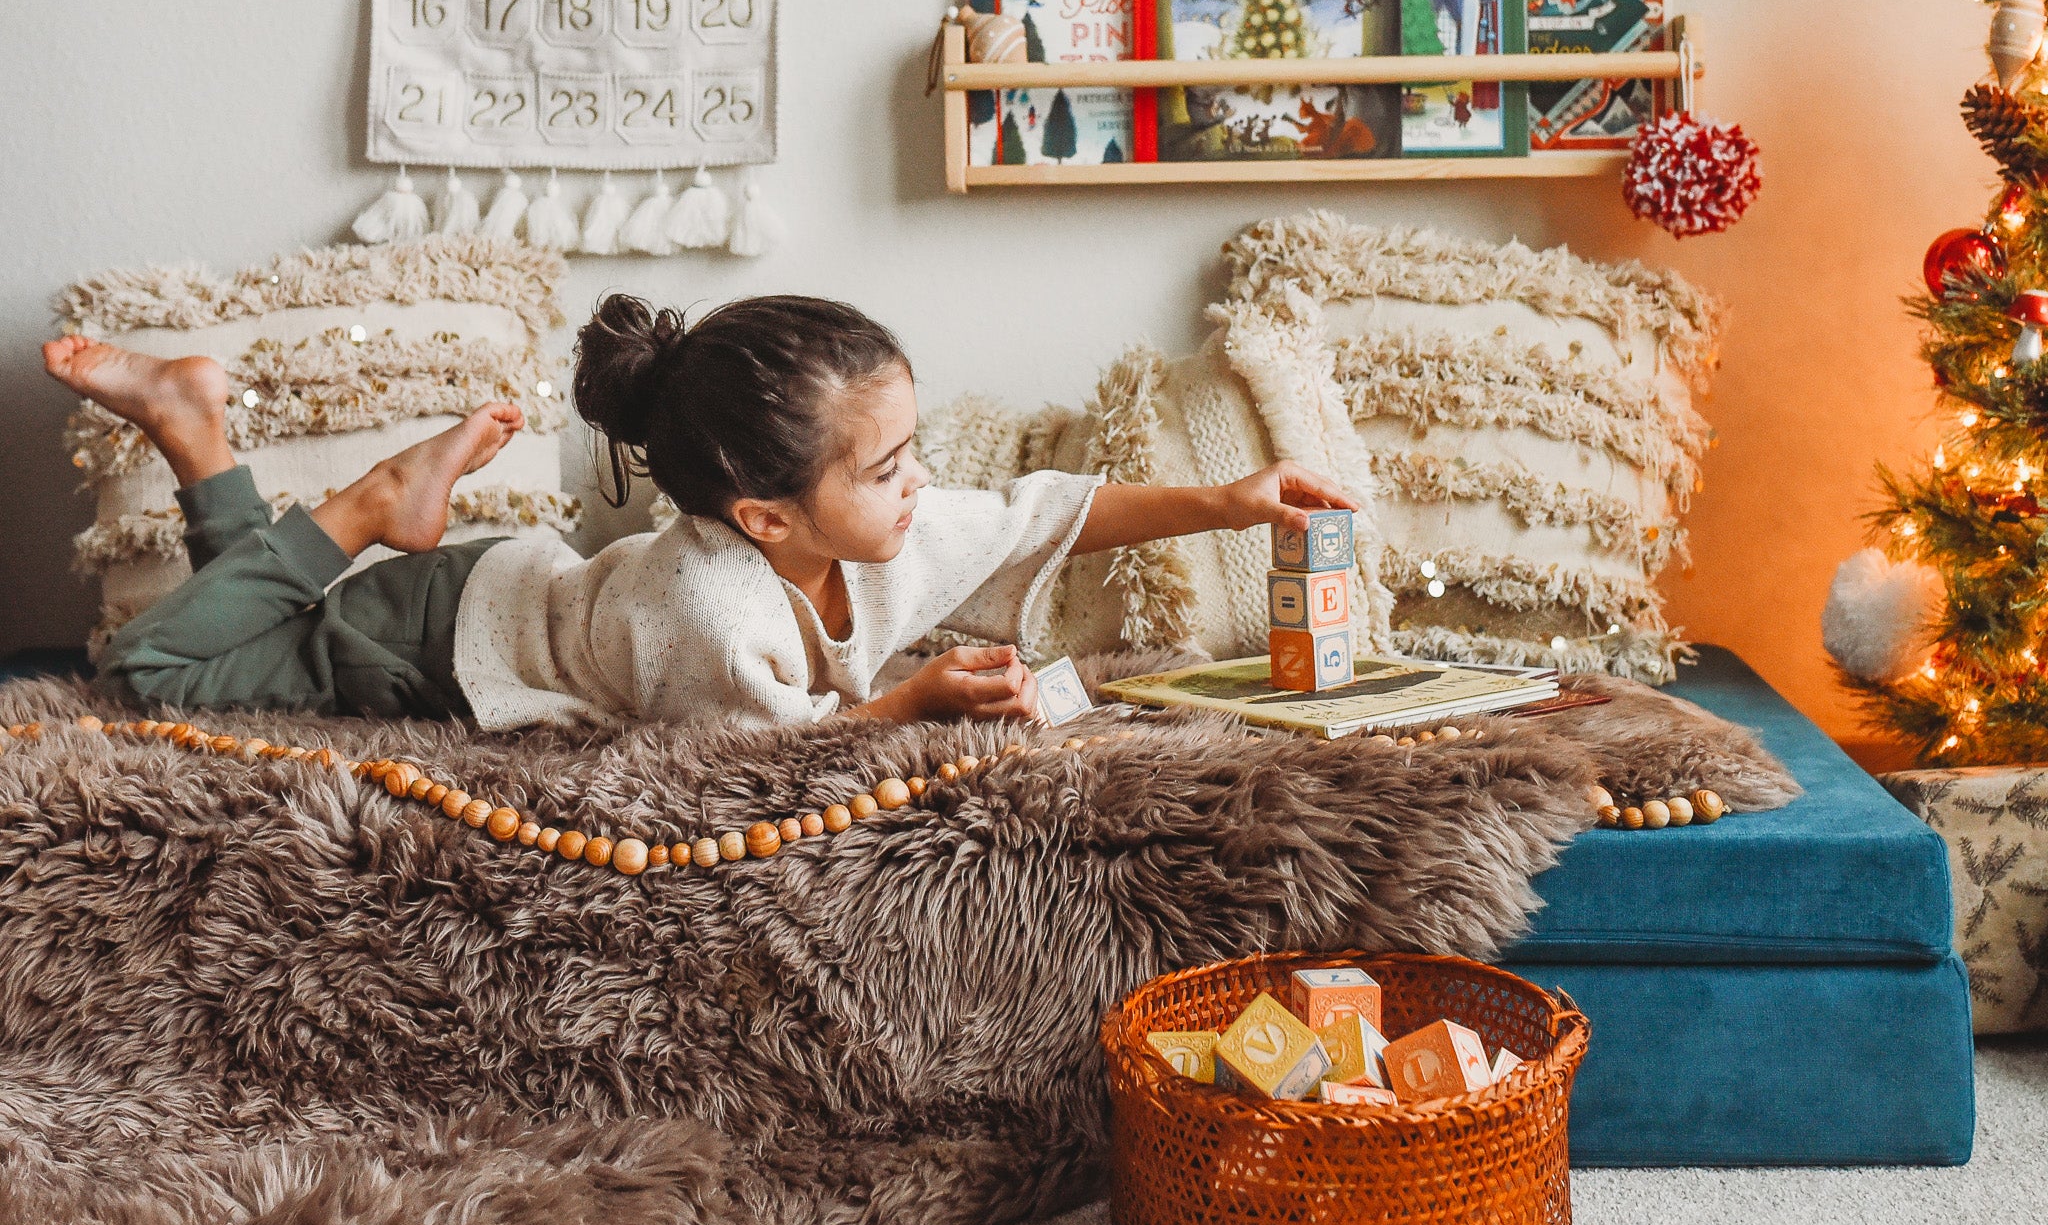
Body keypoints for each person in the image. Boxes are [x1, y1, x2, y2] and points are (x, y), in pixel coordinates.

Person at [43, 293, 1355, 730]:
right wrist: (906, 704)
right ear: (766, 515)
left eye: (906, 453)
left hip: (500, 588)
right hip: (423, 642)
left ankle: (195, 425)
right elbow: (763, 766)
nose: (920, 487)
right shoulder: (710, 605)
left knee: (233, 629)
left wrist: (1223, 503)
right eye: (887, 466)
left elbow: (1036, 510)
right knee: (154, 673)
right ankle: (366, 502)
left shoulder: (891, 535)